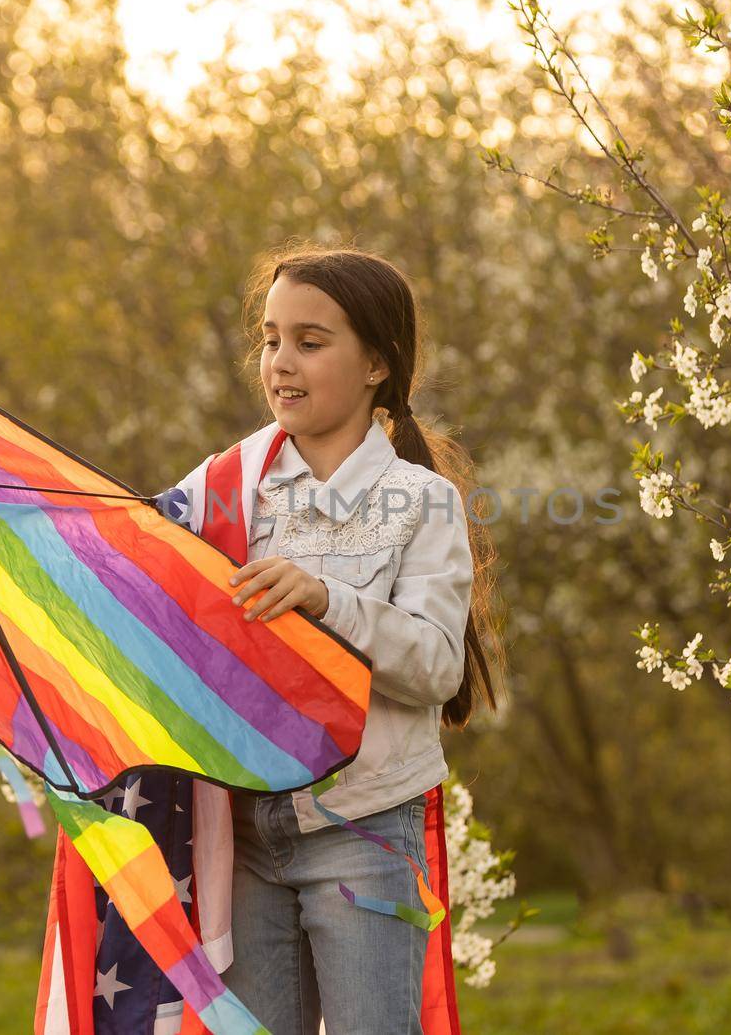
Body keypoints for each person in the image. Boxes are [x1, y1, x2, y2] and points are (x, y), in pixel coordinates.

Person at [210, 243, 504, 1035]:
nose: (281, 362)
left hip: (365, 830)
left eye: (311, 341)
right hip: (241, 835)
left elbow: (438, 666)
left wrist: (327, 598)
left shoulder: (422, 501)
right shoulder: (233, 489)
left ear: (377, 361)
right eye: (271, 339)